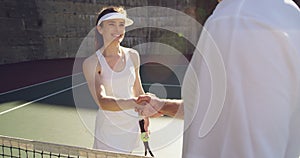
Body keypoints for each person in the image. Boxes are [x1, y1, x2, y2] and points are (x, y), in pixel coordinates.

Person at [136, 0, 300, 157]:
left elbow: (247, 144)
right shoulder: (286, 14)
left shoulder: (237, 19)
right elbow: (220, 109)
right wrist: (164, 106)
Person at [82, 6, 150, 153]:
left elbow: (138, 90)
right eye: (111, 24)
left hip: (132, 127)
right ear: (100, 29)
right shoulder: (91, 63)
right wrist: (135, 103)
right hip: (108, 133)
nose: (118, 30)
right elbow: (103, 102)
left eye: (121, 25)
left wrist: (144, 116)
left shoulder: (133, 55)